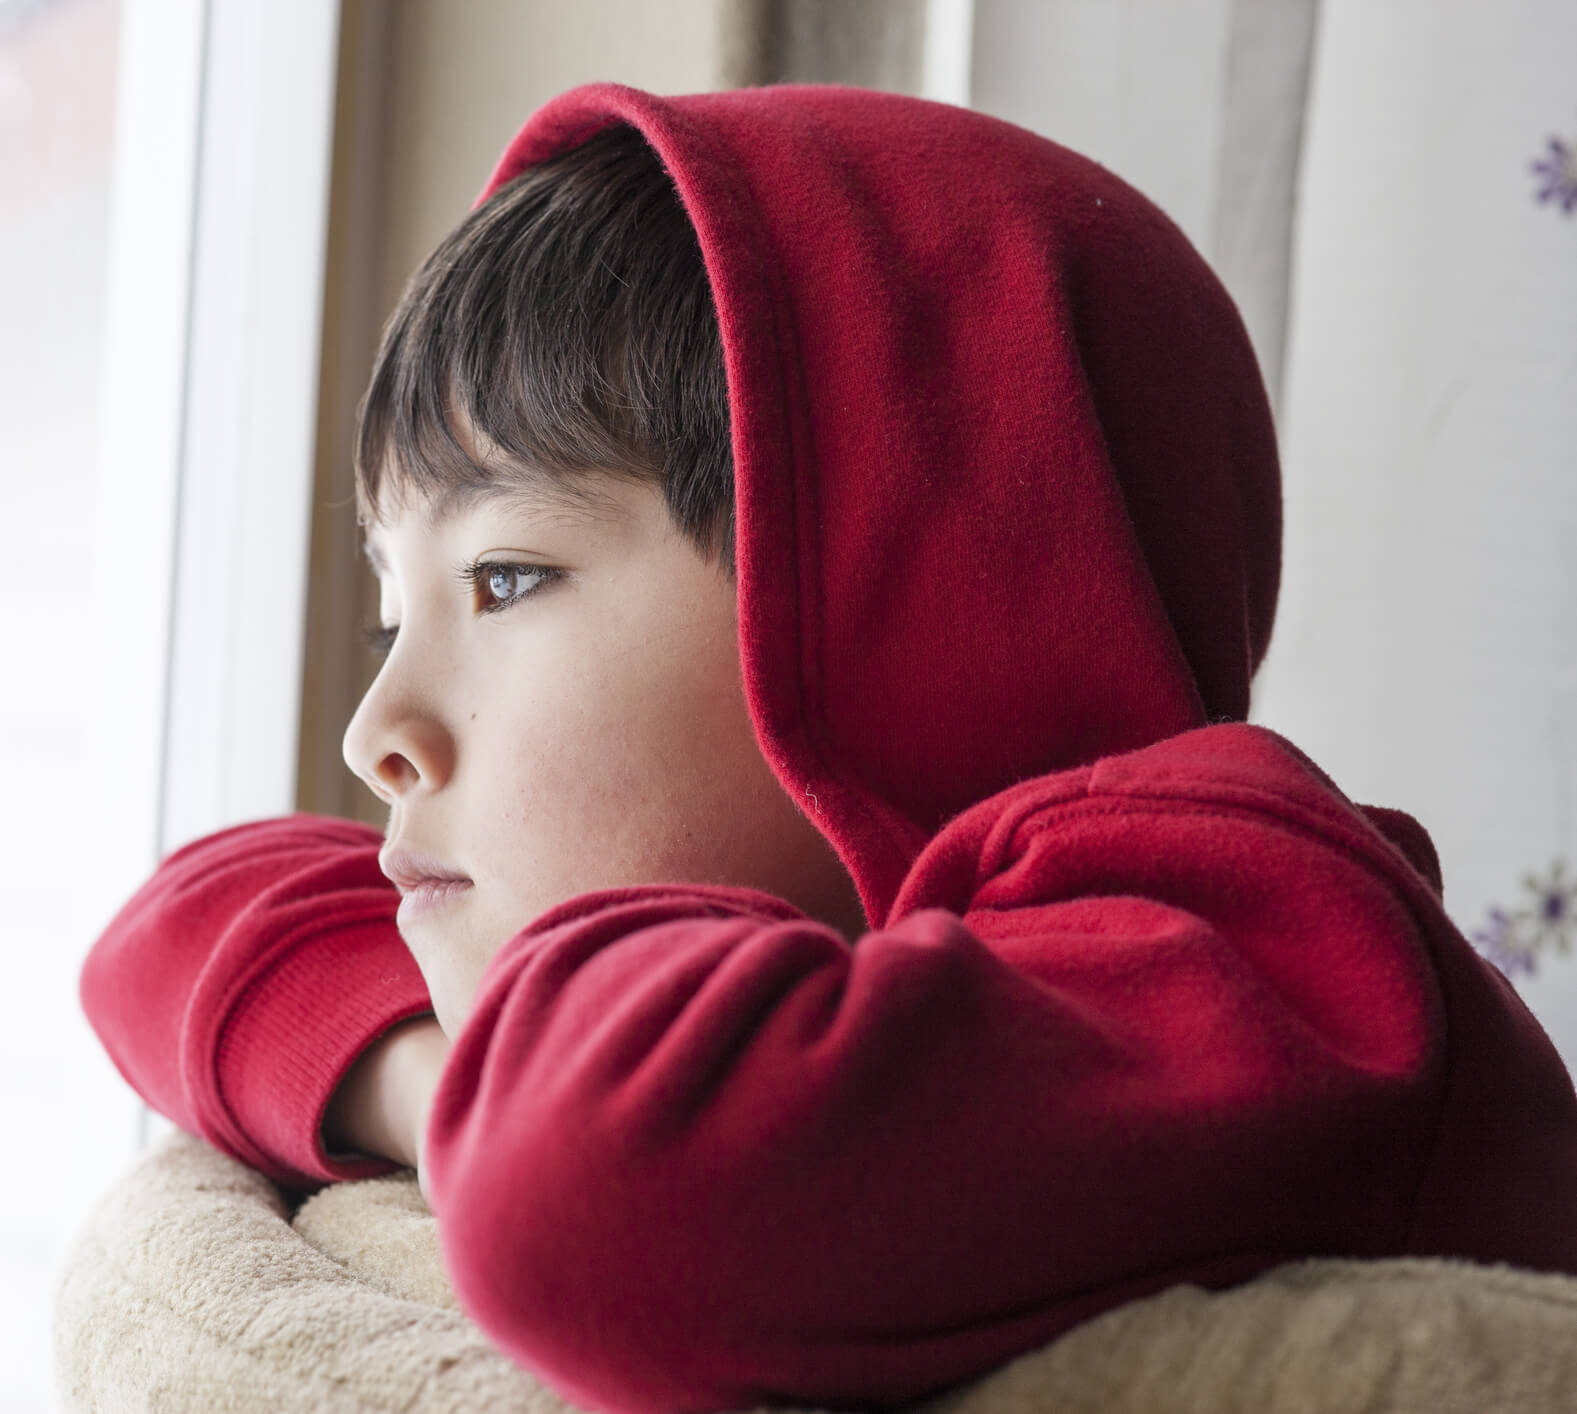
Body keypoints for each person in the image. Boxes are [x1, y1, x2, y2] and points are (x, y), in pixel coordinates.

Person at [78, 83, 1577, 1413]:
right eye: (383, 614)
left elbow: (594, 1188)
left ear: (908, 601)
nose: (373, 732)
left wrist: (465, 1082)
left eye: (505, 579)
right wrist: (432, 1068)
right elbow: (168, 929)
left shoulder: (1259, 938)